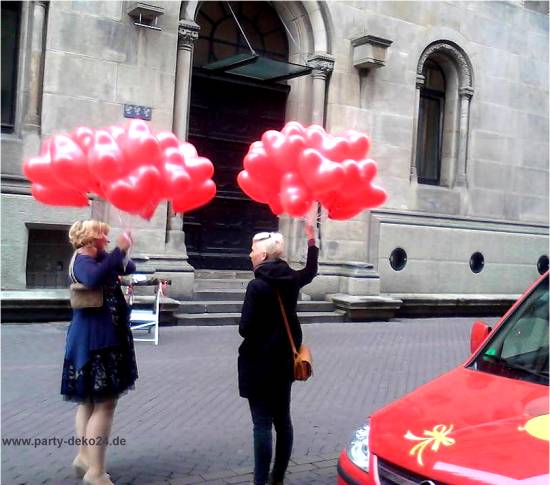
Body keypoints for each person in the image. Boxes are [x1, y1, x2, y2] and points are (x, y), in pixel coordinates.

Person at [238, 224, 318, 485]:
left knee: (261, 424)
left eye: (252, 251)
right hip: (284, 362)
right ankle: (277, 478)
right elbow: (311, 271)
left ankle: (260, 482)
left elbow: (244, 328)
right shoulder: (291, 279)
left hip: (259, 364)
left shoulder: (257, 286)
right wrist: (311, 241)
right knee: (282, 421)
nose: (249, 254)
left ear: (262, 256)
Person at [61, 220, 138, 485]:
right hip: (97, 342)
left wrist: (121, 252)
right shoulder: (83, 260)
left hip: (98, 339)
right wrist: (116, 251)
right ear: (92, 238)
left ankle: (85, 458)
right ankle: (95, 473)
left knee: (89, 402)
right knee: (105, 404)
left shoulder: (98, 257)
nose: (107, 237)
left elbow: (131, 267)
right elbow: (93, 277)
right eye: (103, 234)